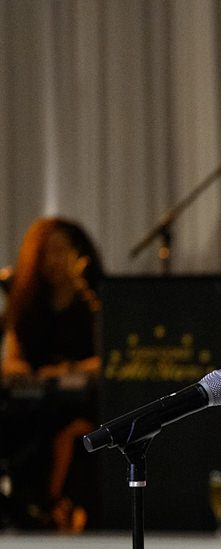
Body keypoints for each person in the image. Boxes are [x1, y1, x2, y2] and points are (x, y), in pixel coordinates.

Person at [1, 217, 104, 531]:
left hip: (80, 401)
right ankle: (22, 506)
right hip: (35, 400)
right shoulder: (28, 303)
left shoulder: (92, 301)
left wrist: (65, 371)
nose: (53, 260)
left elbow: (107, 359)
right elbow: (12, 358)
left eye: (61, 251)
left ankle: (55, 504)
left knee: (64, 430)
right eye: (46, 252)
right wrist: (24, 372)